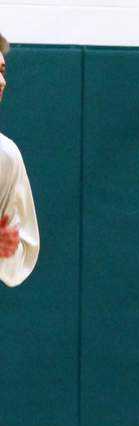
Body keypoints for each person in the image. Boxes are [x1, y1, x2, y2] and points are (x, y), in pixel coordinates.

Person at [0, 33, 40, 287]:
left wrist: (6, 251)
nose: (2, 81)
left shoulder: (6, 155)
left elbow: (18, 263)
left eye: (2, 71)